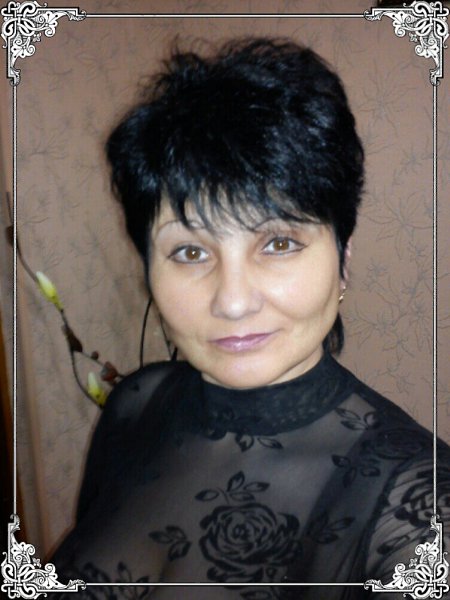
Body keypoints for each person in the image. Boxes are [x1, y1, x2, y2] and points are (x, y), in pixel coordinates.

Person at [51, 38, 450, 599]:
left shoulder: (419, 514)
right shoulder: (136, 404)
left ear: (343, 259)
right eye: (190, 251)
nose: (233, 301)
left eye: (279, 243)